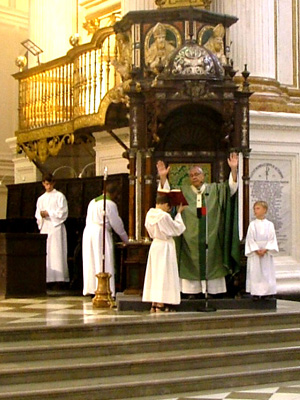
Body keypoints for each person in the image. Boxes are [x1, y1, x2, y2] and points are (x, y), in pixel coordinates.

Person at [157, 153, 239, 298]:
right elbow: (167, 197)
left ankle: (213, 291)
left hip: (211, 235)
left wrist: (233, 170)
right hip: (190, 236)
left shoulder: (215, 190)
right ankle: (192, 292)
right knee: (191, 260)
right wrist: (163, 178)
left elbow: (230, 190)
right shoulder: (184, 191)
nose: (194, 177)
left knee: (213, 260)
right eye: (191, 175)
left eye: (197, 174)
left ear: (203, 176)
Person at [82, 182, 129, 298]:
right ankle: (106, 289)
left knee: (91, 261)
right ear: (114, 194)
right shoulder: (109, 203)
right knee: (103, 260)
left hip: (88, 232)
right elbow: (116, 224)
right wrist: (126, 240)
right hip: (100, 233)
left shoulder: (92, 202)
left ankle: (92, 288)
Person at [142, 194, 186, 312]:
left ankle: (154, 303)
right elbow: (177, 229)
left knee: (155, 275)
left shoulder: (149, 214)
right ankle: (161, 303)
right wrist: (179, 214)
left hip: (155, 244)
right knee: (164, 275)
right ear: (166, 205)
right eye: (169, 207)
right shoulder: (164, 216)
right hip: (165, 246)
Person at [35, 173, 69, 286]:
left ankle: (59, 279)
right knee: (47, 252)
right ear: (43, 184)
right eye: (45, 184)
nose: (48, 186)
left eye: (49, 184)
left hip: (56, 227)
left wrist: (49, 213)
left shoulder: (59, 196)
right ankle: (47, 278)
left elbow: (63, 212)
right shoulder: (41, 199)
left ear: (53, 183)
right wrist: (41, 215)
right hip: (45, 227)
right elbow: (37, 214)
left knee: (56, 252)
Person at [245, 201, 279, 298]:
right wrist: (256, 249)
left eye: (258, 208)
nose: (255, 211)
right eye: (254, 208)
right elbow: (250, 239)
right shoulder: (252, 225)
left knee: (266, 273)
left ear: (265, 210)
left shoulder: (270, 224)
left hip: (266, 253)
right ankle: (256, 293)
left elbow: (272, 238)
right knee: (256, 273)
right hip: (255, 253)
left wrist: (266, 249)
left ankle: (267, 293)